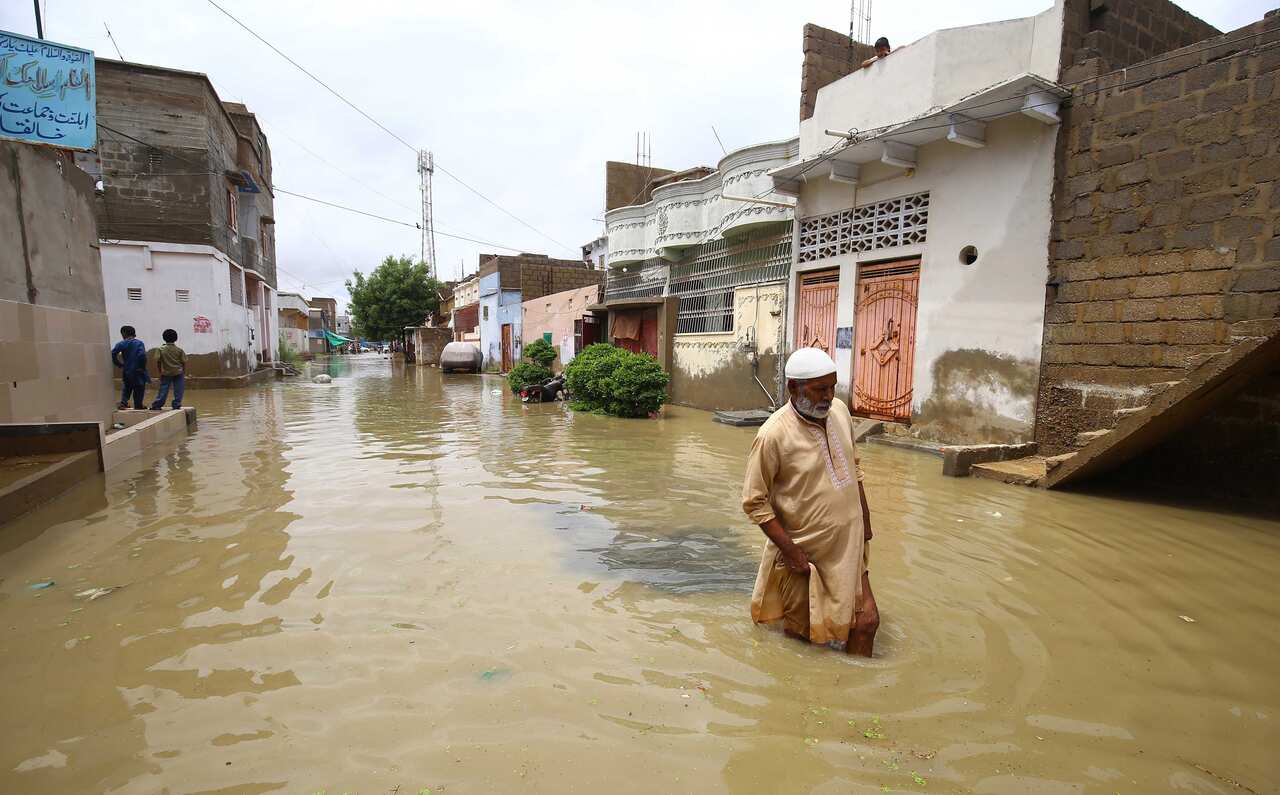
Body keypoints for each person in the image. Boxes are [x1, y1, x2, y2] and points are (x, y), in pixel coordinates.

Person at [741, 347, 879, 656]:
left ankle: (861, 697)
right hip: (806, 557)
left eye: (832, 387)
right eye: (819, 389)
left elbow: (854, 466)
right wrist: (791, 553)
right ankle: (802, 695)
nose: (828, 396)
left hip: (849, 548)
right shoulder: (772, 435)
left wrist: (865, 522)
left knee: (866, 623)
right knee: (803, 638)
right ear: (793, 387)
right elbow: (754, 501)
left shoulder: (840, 412)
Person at [111, 325, 151, 410]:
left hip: (127, 370)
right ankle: (138, 404)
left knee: (127, 387)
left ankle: (123, 403)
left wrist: (119, 364)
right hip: (138, 370)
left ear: (124, 333)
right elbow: (142, 355)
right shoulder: (139, 343)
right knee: (139, 388)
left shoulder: (121, 343)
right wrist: (142, 367)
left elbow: (113, 353)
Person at [150, 328, 187, 410]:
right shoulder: (179, 350)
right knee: (178, 390)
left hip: (166, 373)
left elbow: (158, 362)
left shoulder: (160, 349)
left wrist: (160, 372)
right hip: (178, 373)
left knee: (163, 389)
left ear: (164, 338)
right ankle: (176, 405)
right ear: (176, 338)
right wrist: (183, 373)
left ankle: (157, 405)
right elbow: (183, 362)